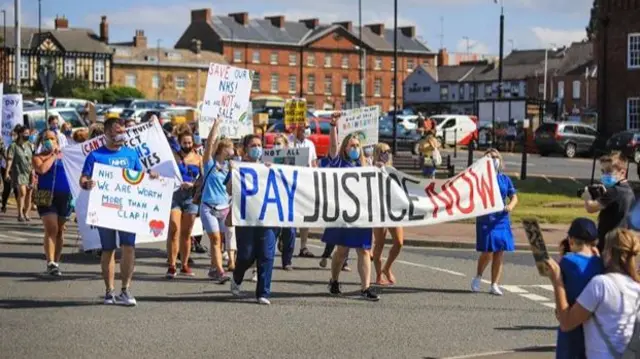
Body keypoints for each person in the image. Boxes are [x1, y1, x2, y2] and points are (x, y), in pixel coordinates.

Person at [80, 118, 158, 306]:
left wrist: (151, 176)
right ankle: (109, 291)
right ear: (107, 133)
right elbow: (83, 178)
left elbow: (140, 177)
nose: (122, 134)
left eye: (123, 130)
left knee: (129, 247)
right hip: (105, 210)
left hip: (127, 211)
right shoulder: (95, 155)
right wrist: (86, 183)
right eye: (117, 131)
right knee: (108, 249)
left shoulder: (131, 154)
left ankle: (125, 290)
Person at [545, 228, 640, 359]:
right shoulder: (635, 287)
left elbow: (567, 323)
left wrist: (557, 281)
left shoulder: (600, 285)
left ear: (610, 253)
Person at [322, 113, 379, 301]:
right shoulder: (339, 162)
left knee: (364, 250)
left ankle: (365, 288)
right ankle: (334, 280)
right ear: (345, 148)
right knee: (342, 251)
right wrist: (333, 126)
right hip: (342, 214)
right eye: (351, 145)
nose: (355, 148)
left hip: (361, 215)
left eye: (357, 145)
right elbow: (331, 147)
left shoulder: (366, 166)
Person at [230, 134, 278, 305]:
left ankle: (263, 292)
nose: (257, 148)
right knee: (246, 255)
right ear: (245, 148)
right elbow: (229, 190)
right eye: (253, 145)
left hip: (267, 218)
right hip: (247, 219)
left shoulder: (268, 167)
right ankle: (237, 277)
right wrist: (233, 173)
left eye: (259, 145)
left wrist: (271, 171)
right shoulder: (238, 168)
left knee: (266, 254)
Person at [555, 218, 605, 359]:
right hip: (595, 329)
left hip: (572, 324)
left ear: (571, 240)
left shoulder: (568, 262)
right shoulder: (601, 263)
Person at [471, 149, 518, 296]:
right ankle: (478, 276)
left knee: (499, 251)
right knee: (488, 251)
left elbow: (514, 197)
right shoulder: (480, 178)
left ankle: (494, 284)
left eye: (496, 157)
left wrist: (510, 206)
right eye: (490, 158)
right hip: (486, 218)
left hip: (501, 218)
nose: (494, 160)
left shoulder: (505, 179)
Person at [32, 130, 73, 277]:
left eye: (53, 138)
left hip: (65, 196)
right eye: (47, 139)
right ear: (42, 142)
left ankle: (55, 262)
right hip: (46, 196)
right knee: (52, 228)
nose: (50, 141)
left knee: (60, 230)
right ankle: (50, 262)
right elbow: (42, 169)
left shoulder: (66, 156)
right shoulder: (38, 157)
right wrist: (53, 155)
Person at [199, 119, 235, 283]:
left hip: (224, 207)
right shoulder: (210, 164)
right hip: (208, 206)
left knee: (220, 241)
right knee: (215, 239)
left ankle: (213, 268)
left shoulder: (230, 167)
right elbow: (209, 146)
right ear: (222, 150)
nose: (233, 150)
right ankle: (220, 271)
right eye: (230, 148)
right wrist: (215, 126)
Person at [166, 124, 202, 278]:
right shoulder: (173, 156)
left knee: (187, 233)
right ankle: (172, 265)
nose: (187, 145)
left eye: (190, 143)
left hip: (191, 197)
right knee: (174, 229)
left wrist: (193, 184)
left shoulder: (198, 158)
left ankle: (184, 264)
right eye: (184, 143)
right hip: (175, 196)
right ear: (179, 142)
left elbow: (203, 178)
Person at [583, 152, 635, 254]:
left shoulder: (614, 191)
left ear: (622, 172)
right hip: (622, 241)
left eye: (609, 171)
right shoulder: (629, 191)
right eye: (603, 171)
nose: (604, 175)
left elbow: (591, 208)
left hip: (607, 243)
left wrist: (586, 196)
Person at [371, 143, 404, 285]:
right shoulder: (372, 169)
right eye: (384, 151)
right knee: (379, 244)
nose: (387, 154)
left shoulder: (392, 169)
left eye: (388, 151)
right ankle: (379, 275)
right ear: (377, 153)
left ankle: (387, 268)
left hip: (392, 210)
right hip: (379, 211)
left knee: (399, 242)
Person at [291, 124, 317, 258]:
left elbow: (313, 162)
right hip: (292, 182)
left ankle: (303, 246)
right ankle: (287, 242)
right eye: (303, 127)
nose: (305, 129)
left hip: (306, 182)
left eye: (307, 127)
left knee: (305, 215)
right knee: (292, 214)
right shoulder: (290, 142)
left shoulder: (310, 144)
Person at [273, 134, 296, 270]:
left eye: (279, 143)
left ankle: (287, 261)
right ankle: (268, 257)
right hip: (273, 200)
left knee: (290, 232)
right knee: (273, 231)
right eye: (275, 143)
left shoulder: (292, 161)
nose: (277, 146)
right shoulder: (269, 159)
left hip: (289, 200)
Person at [5, 125, 35, 222]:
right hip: (18, 172)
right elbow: (10, 160)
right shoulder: (13, 146)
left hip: (29, 171)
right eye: (25, 133)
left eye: (28, 133)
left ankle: (26, 213)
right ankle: (20, 214)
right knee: (22, 192)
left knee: (29, 193)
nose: (27, 135)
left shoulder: (29, 145)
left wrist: (34, 172)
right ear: (20, 133)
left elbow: (32, 159)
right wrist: (7, 172)